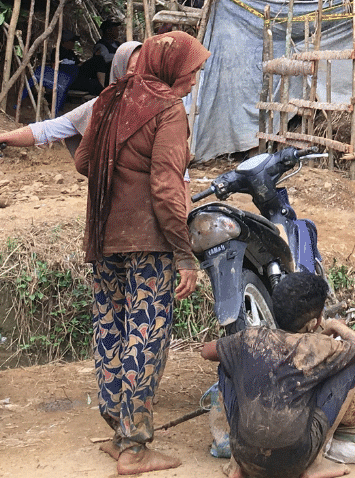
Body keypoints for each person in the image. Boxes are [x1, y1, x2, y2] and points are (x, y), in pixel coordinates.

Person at [43, 32, 208, 473]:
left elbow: (83, 162)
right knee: (146, 336)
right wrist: (184, 253)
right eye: (191, 71)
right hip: (149, 243)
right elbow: (166, 187)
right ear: (169, 68)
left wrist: (117, 174)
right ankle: (135, 448)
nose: (194, 79)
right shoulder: (168, 110)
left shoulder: (110, 99)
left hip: (103, 237)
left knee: (111, 329)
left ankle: (118, 434)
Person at [201, 273, 355, 478]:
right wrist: (336, 326)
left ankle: (235, 464)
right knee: (350, 369)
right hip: (297, 460)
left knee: (226, 365)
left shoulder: (250, 338)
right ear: (314, 322)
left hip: (246, 455)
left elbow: (206, 352)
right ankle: (316, 462)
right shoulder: (320, 347)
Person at [0, 41, 141, 164]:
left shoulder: (156, 108)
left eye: (145, 68)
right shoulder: (99, 108)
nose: (141, 76)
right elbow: (47, 130)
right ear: (118, 71)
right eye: (133, 70)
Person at [74, 20, 125, 97]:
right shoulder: (101, 45)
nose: (117, 32)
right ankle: (102, 88)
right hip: (106, 72)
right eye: (115, 30)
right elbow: (105, 58)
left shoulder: (117, 44)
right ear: (108, 31)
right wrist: (119, 56)